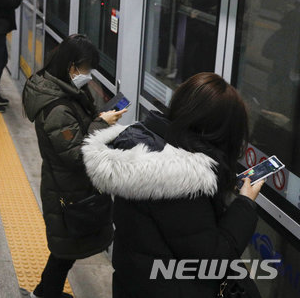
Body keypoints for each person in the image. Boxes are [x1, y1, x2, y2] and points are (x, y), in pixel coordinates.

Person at [81, 72, 263, 298]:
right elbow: (211, 260)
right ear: (217, 131)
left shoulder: (146, 147)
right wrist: (244, 204)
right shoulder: (182, 180)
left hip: (135, 283)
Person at [22, 34, 125, 298]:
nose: (88, 75)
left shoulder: (60, 87)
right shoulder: (57, 108)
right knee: (65, 250)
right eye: (86, 68)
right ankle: (45, 294)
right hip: (66, 188)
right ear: (71, 67)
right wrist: (102, 123)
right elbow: (77, 155)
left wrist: (98, 118)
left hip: (64, 184)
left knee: (65, 250)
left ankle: (45, 292)